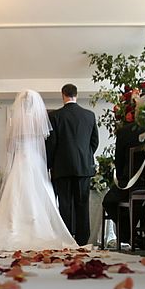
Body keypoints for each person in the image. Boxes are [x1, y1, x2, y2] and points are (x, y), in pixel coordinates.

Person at [0, 90, 78, 252]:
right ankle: (38, 229)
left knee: (15, 193)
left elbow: (10, 148)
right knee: (39, 193)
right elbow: (43, 146)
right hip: (35, 161)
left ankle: (11, 229)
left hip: (20, 160)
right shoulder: (38, 120)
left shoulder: (14, 121)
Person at [45, 83, 99, 245]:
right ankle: (83, 241)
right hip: (84, 167)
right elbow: (94, 142)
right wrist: (85, 156)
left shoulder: (55, 116)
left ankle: (67, 239)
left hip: (62, 168)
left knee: (65, 204)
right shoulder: (89, 115)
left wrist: (48, 164)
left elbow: (52, 144)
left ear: (63, 95)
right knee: (82, 204)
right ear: (77, 94)